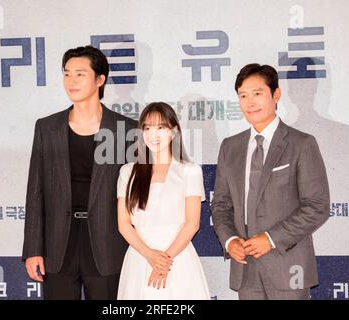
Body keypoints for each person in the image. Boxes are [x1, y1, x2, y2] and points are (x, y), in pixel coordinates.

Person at [22, 45, 137, 300]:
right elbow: (35, 191)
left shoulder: (125, 129)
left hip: (109, 244)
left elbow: (136, 196)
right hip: (58, 245)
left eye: (80, 74)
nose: (71, 81)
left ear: (100, 79)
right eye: (66, 74)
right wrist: (33, 249)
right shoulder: (47, 128)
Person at [211, 64, 330, 300]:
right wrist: (230, 240)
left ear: (276, 95)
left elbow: (317, 206)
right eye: (243, 96)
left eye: (257, 93)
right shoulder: (230, 147)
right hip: (245, 268)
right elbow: (221, 205)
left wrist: (271, 239)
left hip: (288, 265)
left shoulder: (301, 144)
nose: (250, 102)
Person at [116, 102, 210, 299]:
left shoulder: (190, 171)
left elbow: (192, 223)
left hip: (178, 258)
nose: (153, 134)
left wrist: (164, 261)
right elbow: (124, 224)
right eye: (147, 128)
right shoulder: (128, 172)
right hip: (140, 257)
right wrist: (150, 255)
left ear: (174, 131)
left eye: (161, 127)